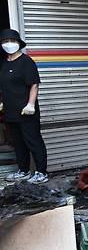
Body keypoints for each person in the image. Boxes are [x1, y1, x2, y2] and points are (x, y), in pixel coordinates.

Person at [0, 28, 49, 184]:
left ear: (18, 43)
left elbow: (34, 84)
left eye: (12, 41)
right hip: (10, 111)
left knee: (33, 141)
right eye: (5, 41)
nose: (9, 44)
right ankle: (23, 171)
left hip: (26, 111)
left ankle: (42, 172)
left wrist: (30, 104)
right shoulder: (4, 63)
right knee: (18, 142)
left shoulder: (26, 62)